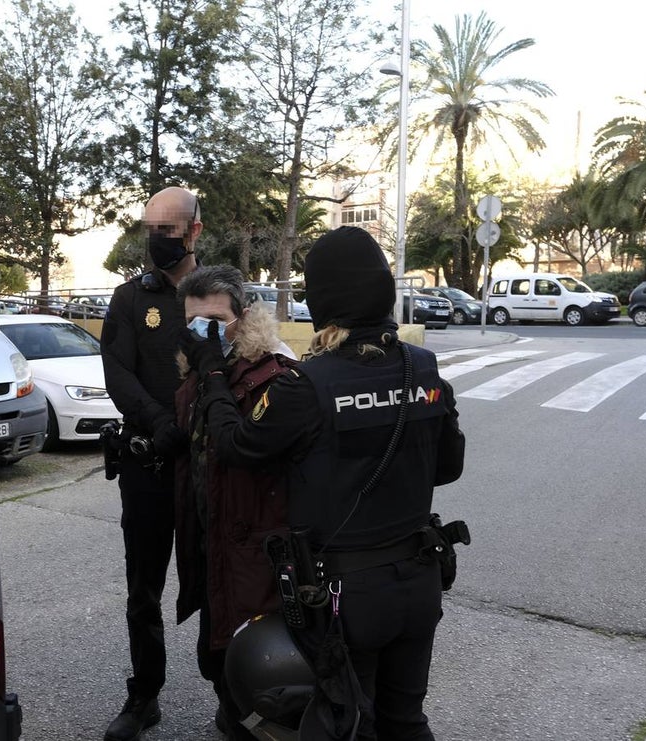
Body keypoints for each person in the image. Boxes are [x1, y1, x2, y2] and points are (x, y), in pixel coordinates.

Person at [182, 226, 465, 740]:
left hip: (345, 597)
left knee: (346, 723)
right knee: (406, 721)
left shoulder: (306, 386)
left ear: (322, 301)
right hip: (420, 580)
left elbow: (235, 445)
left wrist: (213, 375)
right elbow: (448, 468)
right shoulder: (424, 369)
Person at [172, 265, 300, 738]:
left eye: (215, 321)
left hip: (257, 551)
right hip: (210, 546)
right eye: (193, 324)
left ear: (242, 317)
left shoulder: (274, 375)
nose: (204, 334)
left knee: (258, 665)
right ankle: (233, 719)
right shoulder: (195, 382)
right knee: (215, 655)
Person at [100, 185, 201, 741]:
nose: (158, 241)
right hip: (149, 465)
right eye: (151, 230)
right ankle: (145, 696)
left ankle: (235, 694)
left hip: (209, 466)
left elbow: (244, 366)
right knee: (144, 589)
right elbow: (118, 371)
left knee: (219, 580)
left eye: (169, 230)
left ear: (194, 232)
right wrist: (161, 424)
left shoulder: (220, 294)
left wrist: (191, 425)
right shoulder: (129, 299)